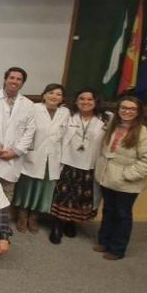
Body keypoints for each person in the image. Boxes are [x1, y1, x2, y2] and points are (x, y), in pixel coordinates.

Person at [94, 95, 147, 260]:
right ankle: (104, 241)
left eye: (132, 109)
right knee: (108, 210)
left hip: (127, 183)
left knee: (122, 215)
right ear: (118, 109)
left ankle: (117, 249)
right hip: (108, 178)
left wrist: (128, 175)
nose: (127, 111)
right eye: (124, 108)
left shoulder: (144, 132)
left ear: (139, 111)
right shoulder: (114, 126)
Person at [50, 88, 111, 244]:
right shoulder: (68, 116)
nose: (85, 102)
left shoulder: (106, 119)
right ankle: (56, 226)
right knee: (61, 197)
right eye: (82, 99)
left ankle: (71, 223)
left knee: (81, 198)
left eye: (90, 99)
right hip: (68, 164)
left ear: (96, 101)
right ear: (76, 101)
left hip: (90, 166)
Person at [13, 83, 68, 234]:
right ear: (44, 95)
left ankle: (34, 217)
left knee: (44, 190)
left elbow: (66, 137)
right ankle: (22, 215)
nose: (54, 96)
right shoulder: (34, 108)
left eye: (58, 94)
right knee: (27, 187)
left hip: (53, 158)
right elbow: (22, 130)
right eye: (51, 93)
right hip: (33, 155)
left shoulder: (65, 113)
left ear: (62, 98)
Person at [0, 67, 36, 204]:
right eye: (12, 78)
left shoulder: (28, 104)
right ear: (5, 79)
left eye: (19, 79)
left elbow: (30, 131)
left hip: (14, 158)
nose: (15, 81)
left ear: (22, 83)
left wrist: (16, 151)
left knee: (6, 194)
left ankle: (1, 222)